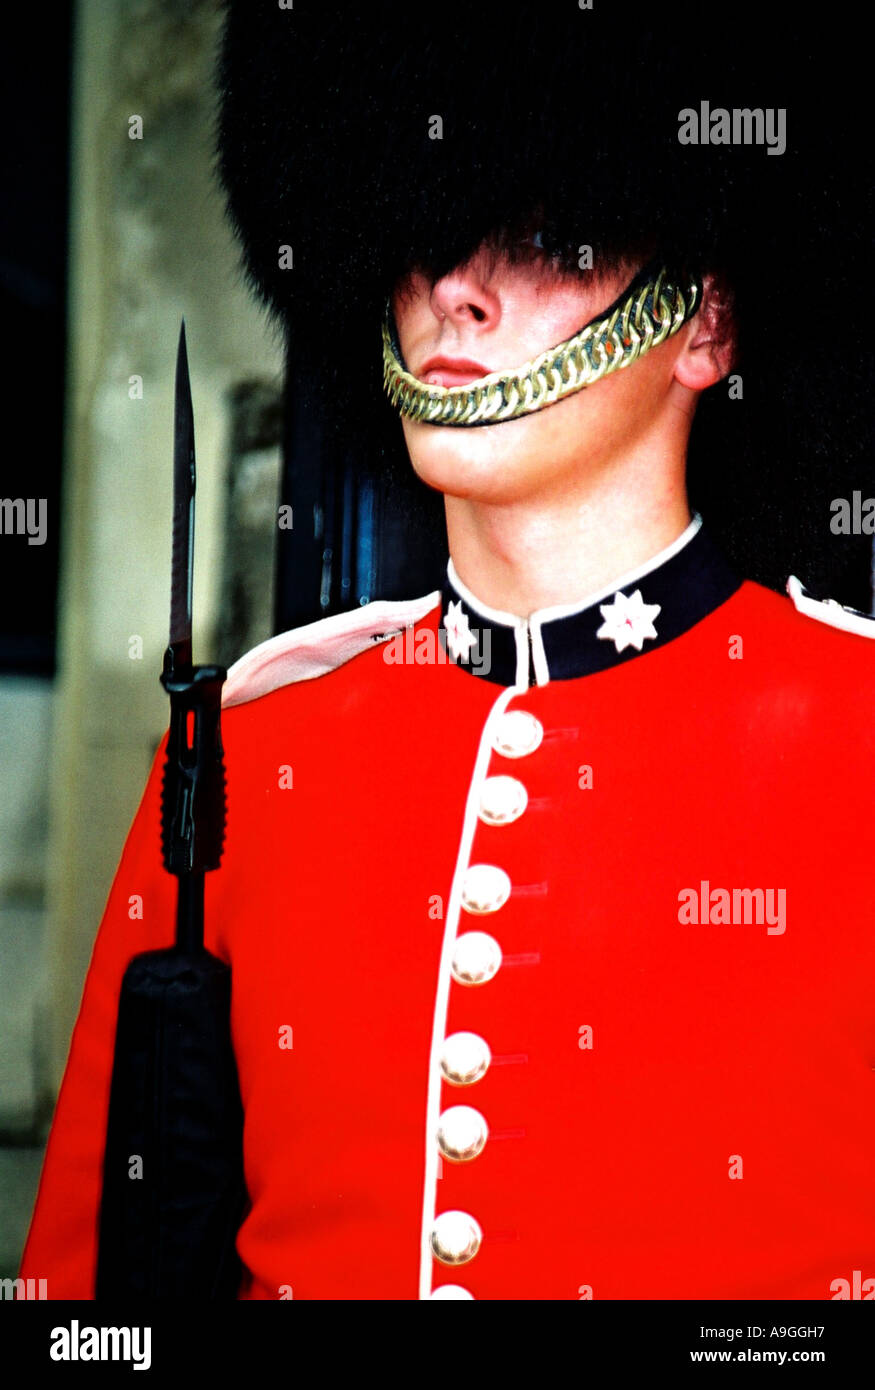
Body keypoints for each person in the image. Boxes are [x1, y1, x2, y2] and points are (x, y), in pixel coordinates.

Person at [19, 2, 875, 1300]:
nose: (452, 291)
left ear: (703, 326)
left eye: (543, 239)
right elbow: (95, 1290)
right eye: (418, 235)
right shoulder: (249, 752)